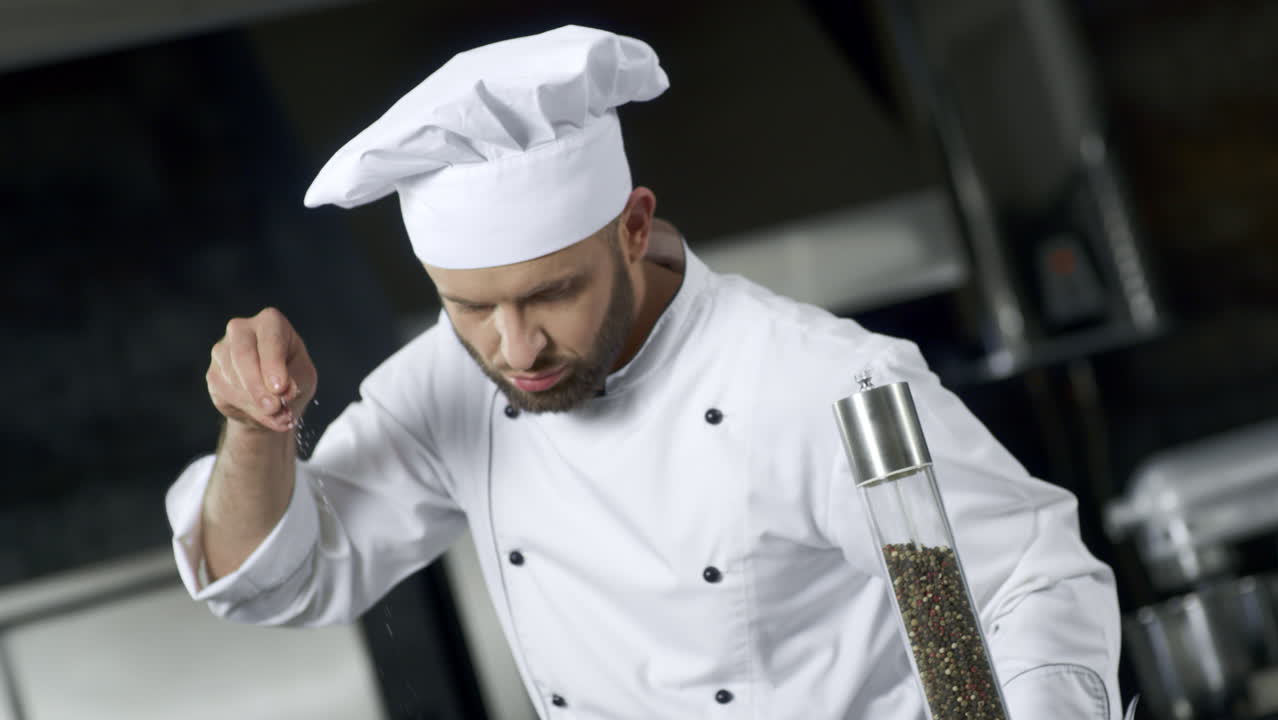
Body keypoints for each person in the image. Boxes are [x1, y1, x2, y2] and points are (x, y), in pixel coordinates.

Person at [166, 25, 1122, 719]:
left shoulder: (829, 392)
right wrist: (255, 428)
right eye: (469, 307)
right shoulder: (454, 386)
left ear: (632, 228)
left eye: (550, 295)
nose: (516, 348)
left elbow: (1016, 590)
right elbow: (280, 583)